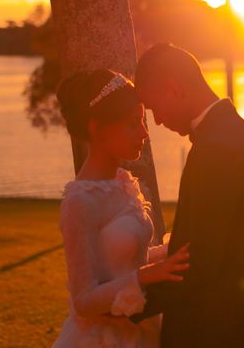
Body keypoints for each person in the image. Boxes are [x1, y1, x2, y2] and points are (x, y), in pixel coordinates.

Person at [132, 43, 244, 348]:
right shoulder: (236, 133)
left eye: (154, 108)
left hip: (226, 330)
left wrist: (125, 303)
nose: (158, 121)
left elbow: (202, 260)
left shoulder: (216, 149)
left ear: (174, 89)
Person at [52, 69, 189, 348]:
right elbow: (84, 301)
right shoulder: (80, 201)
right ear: (96, 127)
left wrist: (171, 251)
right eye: (133, 124)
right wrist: (148, 275)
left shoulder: (124, 183)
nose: (144, 133)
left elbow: (123, 260)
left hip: (144, 331)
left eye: (143, 121)